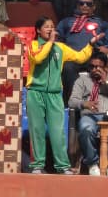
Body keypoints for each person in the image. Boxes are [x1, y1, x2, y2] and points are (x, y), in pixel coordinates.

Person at [27, 16, 96, 174]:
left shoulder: (60, 48)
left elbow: (80, 57)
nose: (51, 29)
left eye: (52, 26)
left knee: (57, 131)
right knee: (37, 130)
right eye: (46, 27)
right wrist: (50, 42)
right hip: (35, 92)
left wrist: (90, 44)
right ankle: (38, 165)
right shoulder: (33, 45)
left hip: (54, 94)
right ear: (38, 30)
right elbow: (38, 58)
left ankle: (62, 166)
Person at [69, 50, 108, 177]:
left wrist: (107, 83)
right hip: (89, 116)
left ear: (105, 67)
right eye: (92, 66)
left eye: (98, 67)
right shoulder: (82, 80)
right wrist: (84, 104)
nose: (94, 70)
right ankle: (92, 163)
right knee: (86, 129)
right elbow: (72, 101)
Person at [56, 0, 108, 100]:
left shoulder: (102, 23)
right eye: (82, 3)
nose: (85, 6)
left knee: (98, 67)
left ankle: (94, 101)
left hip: (93, 56)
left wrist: (107, 48)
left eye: (88, 4)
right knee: (67, 67)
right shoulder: (66, 21)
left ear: (94, 7)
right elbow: (57, 38)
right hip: (73, 57)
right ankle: (72, 101)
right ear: (77, 5)